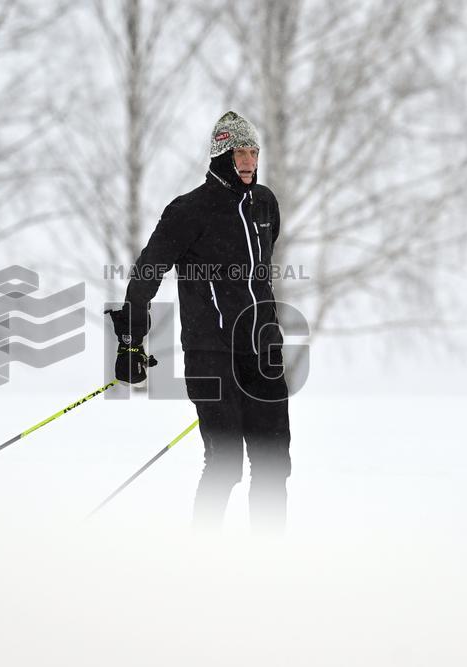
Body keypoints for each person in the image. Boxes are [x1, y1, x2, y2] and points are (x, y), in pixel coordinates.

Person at [106, 110, 291, 533]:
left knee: (273, 464)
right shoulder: (189, 210)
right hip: (211, 354)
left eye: (253, 152)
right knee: (225, 463)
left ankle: (271, 559)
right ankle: (201, 557)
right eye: (239, 153)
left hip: (263, 353)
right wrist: (131, 341)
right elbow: (146, 273)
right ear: (221, 156)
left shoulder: (264, 204)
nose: (248, 161)